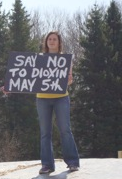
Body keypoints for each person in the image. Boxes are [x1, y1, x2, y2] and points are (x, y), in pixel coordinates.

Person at [36, 31, 79, 174]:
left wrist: (69, 79)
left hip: (61, 97)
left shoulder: (65, 59)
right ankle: (47, 165)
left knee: (65, 130)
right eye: (49, 39)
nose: (52, 41)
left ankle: (72, 162)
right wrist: (10, 86)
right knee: (45, 133)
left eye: (54, 39)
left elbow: (70, 80)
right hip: (42, 98)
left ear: (59, 42)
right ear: (46, 42)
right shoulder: (39, 58)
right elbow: (27, 78)